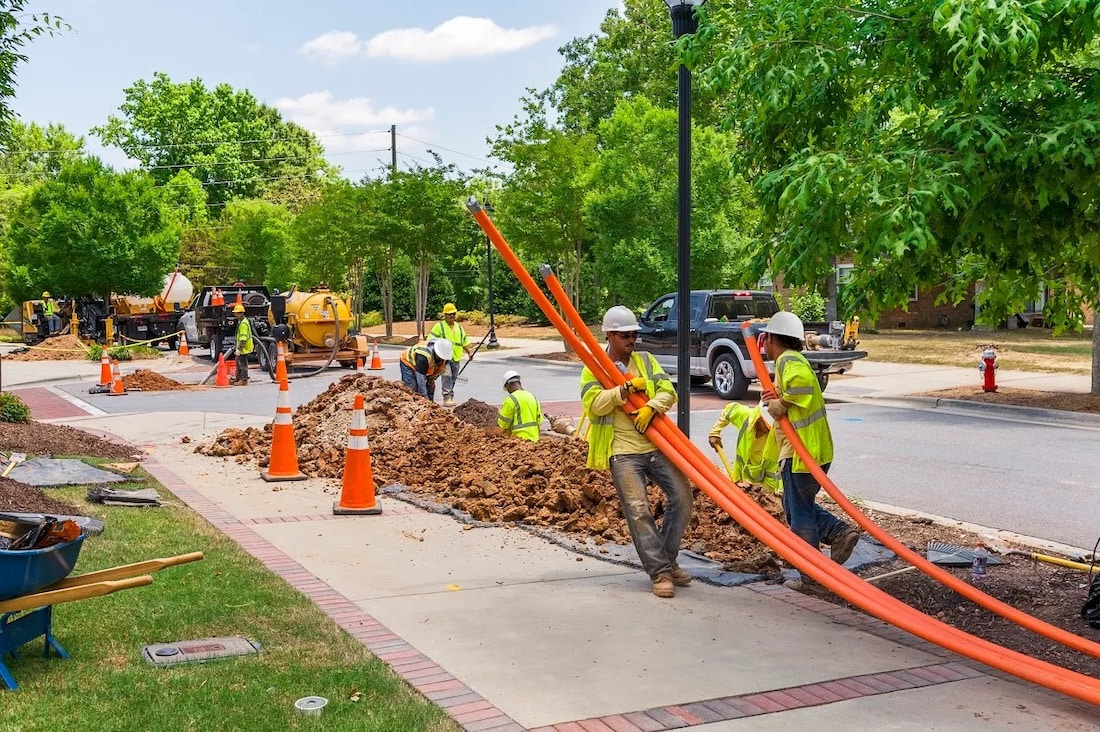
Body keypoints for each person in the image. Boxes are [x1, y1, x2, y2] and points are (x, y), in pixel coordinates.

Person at [581, 305, 694, 599]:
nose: (632, 339)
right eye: (625, 335)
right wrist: (624, 391)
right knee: (638, 510)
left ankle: (667, 562)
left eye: (634, 334)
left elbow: (668, 390)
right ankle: (660, 572)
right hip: (623, 451)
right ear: (609, 335)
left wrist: (652, 406)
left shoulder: (645, 361)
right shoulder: (594, 367)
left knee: (682, 498)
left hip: (656, 445)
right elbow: (593, 406)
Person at [759, 311, 859, 591]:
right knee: (794, 509)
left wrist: (781, 404)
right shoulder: (792, 360)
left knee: (799, 515)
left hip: (802, 454)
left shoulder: (789, 361)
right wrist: (779, 401)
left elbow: (799, 387)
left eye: (765, 339)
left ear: (771, 339)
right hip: (810, 451)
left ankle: (813, 578)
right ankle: (839, 534)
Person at [708, 401, 780, 493]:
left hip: (762, 479)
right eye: (766, 425)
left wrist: (765, 494)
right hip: (740, 475)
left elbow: (772, 470)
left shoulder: (775, 435)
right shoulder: (746, 416)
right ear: (759, 417)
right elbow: (729, 409)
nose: (767, 429)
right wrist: (715, 432)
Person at [429, 303, 477, 407]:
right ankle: (447, 397)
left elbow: (464, 341)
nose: (452, 316)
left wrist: (469, 352)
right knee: (447, 375)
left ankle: (450, 395)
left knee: (453, 377)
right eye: (450, 314)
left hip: (456, 357)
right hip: (444, 358)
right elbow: (431, 341)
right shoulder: (439, 326)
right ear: (445, 315)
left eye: (453, 314)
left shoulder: (459, 328)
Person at [497, 370, 542, 442]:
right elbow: (539, 420)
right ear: (519, 383)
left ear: (508, 385)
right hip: (535, 440)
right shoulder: (532, 397)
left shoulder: (511, 399)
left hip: (519, 441)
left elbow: (503, 424)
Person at [232, 303, 253, 385]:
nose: (235, 315)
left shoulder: (243, 324)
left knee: (242, 364)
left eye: (236, 313)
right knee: (238, 362)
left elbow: (243, 338)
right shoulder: (242, 322)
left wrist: (239, 349)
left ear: (241, 313)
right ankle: (238, 378)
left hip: (244, 348)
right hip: (242, 347)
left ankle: (243, 380)